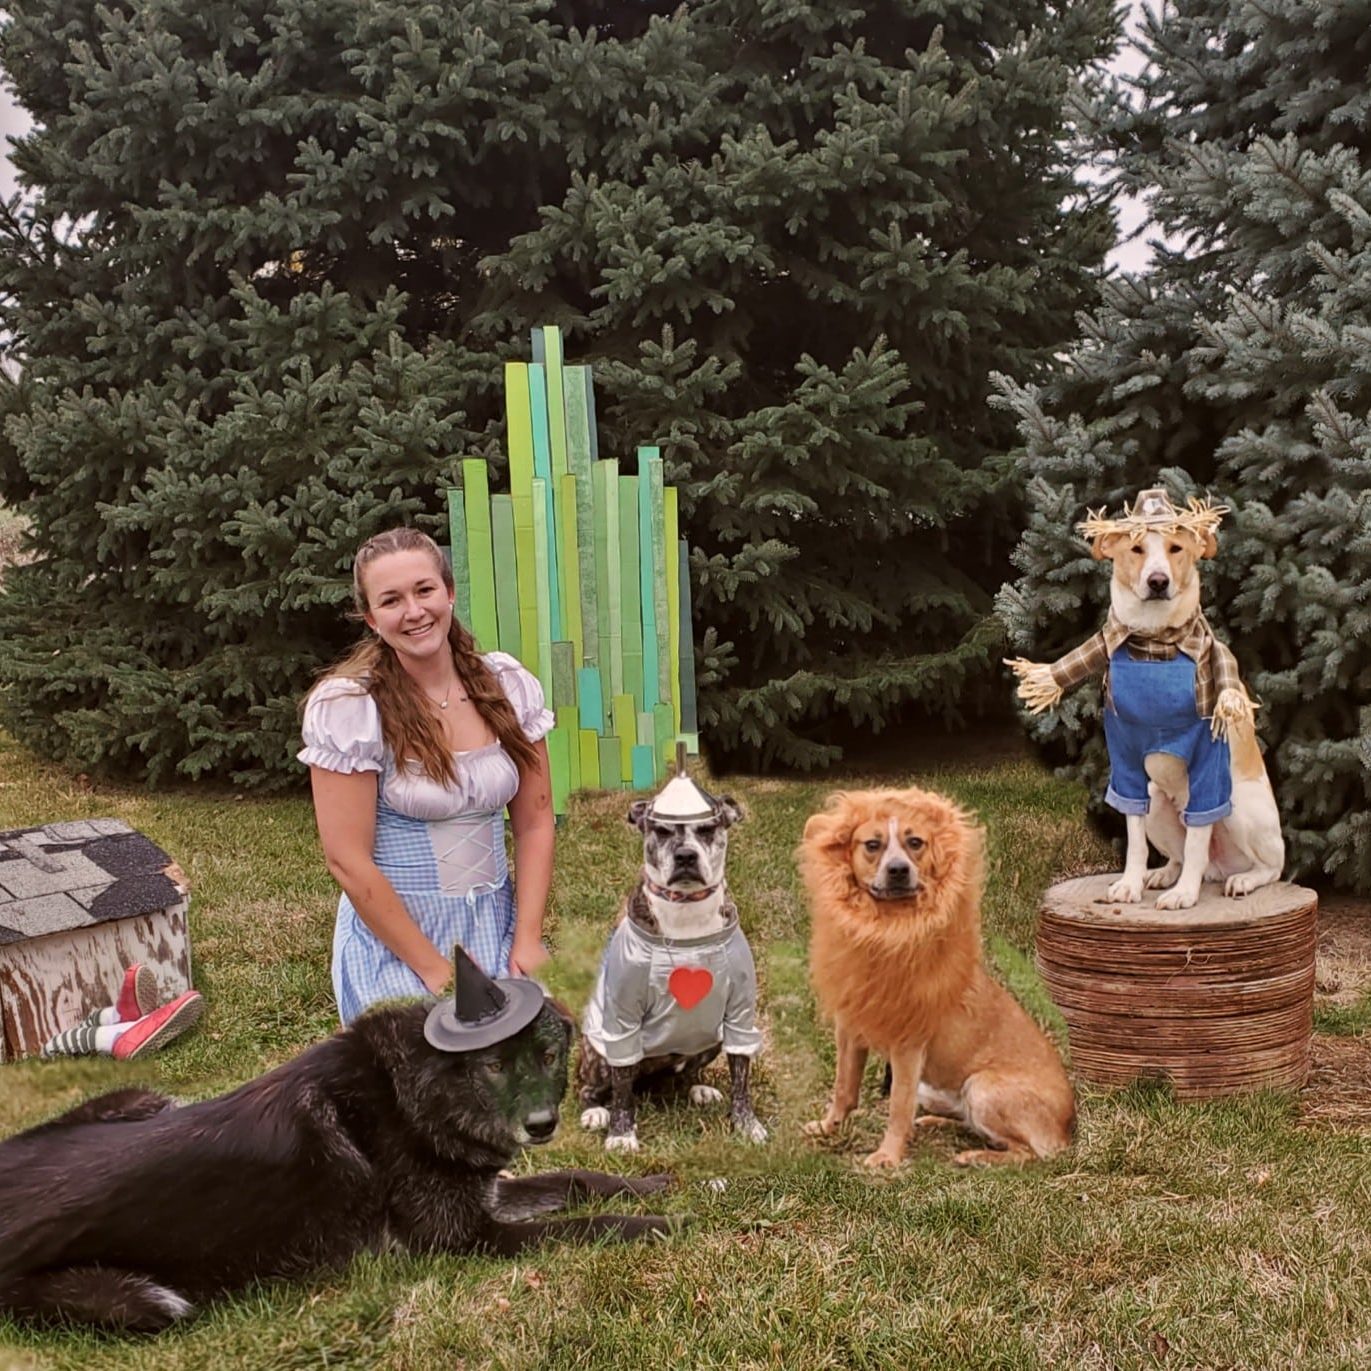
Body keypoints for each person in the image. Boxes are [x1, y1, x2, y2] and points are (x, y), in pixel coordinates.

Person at [299, 527, 555, 1025]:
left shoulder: (507, 686)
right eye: (391, 600)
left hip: (496, 925)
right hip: (401, 941)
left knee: (534, 1048)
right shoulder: (352, 707)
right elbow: (347, 859)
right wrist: (438, 972)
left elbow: (535, 822)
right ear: (371, 618)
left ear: (449, 592)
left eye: (424, 590)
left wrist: (527, 937)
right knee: (438, 1057)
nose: (414, 611)